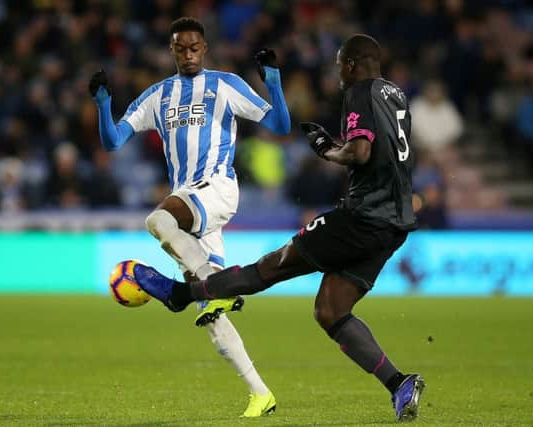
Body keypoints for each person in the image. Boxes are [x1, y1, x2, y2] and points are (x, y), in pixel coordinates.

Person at [131, 34, 426, 422]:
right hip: (394, 224)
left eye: (340, 65)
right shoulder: (396, 95)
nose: (338, 73)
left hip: (362, 216)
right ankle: (399, 383)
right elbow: (389, 152)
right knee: (330, 310)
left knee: (273, 266)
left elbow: (359, 152)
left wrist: (327, 150)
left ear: (353, 64)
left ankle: (181, 294)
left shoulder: (360, 91)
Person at [88, 17, 290, 417]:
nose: (188, 53)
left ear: (205, 48)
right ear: (172, 50)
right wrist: (103, 105)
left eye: (194, 46)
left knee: (158, 221)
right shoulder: (157, 96)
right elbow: (113, 142)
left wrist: (274, 80)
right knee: (211, 315)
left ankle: (205, 285)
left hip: (215, 188)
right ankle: (260, 393)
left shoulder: (225, 85)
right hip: (190, 204)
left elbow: (279, 125)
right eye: (180, 48)